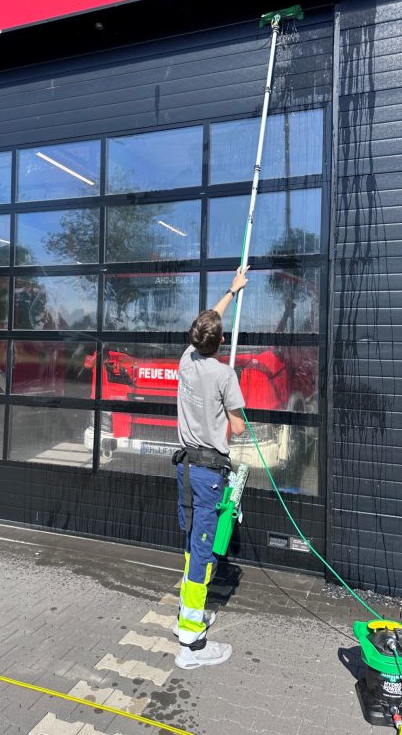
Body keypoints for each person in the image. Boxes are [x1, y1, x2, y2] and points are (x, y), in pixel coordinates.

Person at [173, 267, 249, 670]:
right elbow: (237, 427)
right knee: (202, 554)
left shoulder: (186, 360)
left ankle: (189, 614)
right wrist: (230, 409)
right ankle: (191, 643)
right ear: (220, 341)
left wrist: (231, 291)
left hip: (186, 468)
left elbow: (208, 321)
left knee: (192, 546)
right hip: (207, 474)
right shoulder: (224, 374)